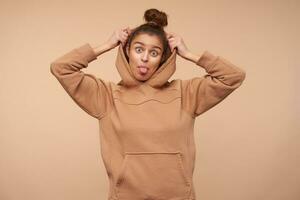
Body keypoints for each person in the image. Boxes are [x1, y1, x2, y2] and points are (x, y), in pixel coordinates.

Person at [50, 8, 246, 200]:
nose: (144, 58)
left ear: (163, 58)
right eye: (138, 49)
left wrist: (189, 54)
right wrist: (106, 45)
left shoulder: (186, 93)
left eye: (154, 52)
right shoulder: (107, 96)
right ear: (127, 50)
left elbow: (233, 77)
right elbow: (61, 69)